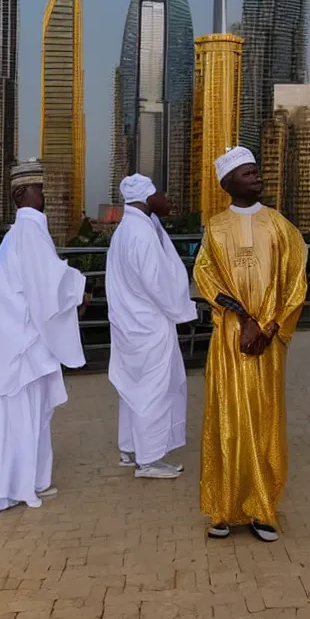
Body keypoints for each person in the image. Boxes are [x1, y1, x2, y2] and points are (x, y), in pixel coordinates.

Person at [193, 147, 307, 541]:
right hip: (230, 338)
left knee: (263, 420)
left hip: (267, 342)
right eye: (248, 173)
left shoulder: (280, 226)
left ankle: (262, 509)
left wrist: (270, 327)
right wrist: (244, 320)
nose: (257, 178)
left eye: (257, 172)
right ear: (227, 183)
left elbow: (296, 283)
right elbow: (207, 280)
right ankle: (223, 509)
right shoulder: (215, 228)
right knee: (225, 419)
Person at [0, 160, 88, 520]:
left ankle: (17, 484)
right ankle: (18, 486)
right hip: (17, 342)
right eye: (38, 188)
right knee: (21, 413)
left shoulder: (16, 234)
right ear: (22, 194)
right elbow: (49, 284)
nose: (45, 194)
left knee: (13, 414)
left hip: (7, 338)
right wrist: (80, 291)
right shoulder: (30, 231)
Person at [106, 174, 198, 479]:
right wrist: (182, 309)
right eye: (160, 191)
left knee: (134, 389)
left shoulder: (127, 229)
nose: (166, 196)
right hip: (148, 327)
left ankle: (130, 448)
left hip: (130, 325)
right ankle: (149, 460)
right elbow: (158, 283)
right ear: (146, 197)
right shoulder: (141, 233)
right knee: (154, 391)